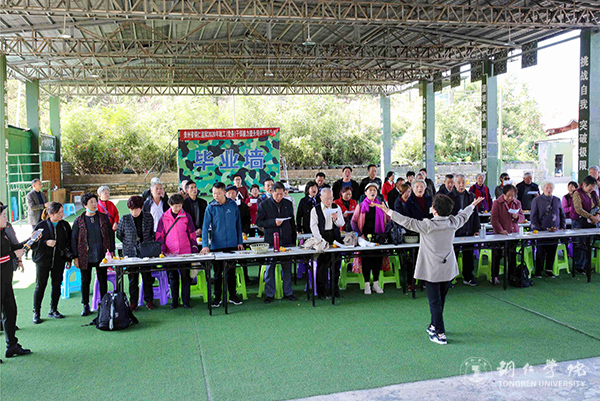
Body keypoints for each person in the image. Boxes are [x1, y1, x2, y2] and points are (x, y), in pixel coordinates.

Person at [374, 194, 484, 345]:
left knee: (434, 302)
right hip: (448, 269)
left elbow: (407, 222)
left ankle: (440, 333)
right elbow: (464, 216)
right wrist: (472, 205)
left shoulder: (427, 225)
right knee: (440, 300)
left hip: (432, 271)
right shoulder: (453, 222)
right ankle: (433, 325)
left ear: (435, 210)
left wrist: (388, 211)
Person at [201, 182, 244, 307]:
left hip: (232, 244)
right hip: (217, 246)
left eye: (218, 193)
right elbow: (205, 228)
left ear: (224, 193)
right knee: (217, 274)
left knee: (231, 272)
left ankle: (233, 296)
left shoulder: (233, 205)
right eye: (214, 193)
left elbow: (238, 225)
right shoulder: (210, 207)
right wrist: (205, 245)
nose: (216, 196)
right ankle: (217, 297)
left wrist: (240, 242)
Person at [71, 193, 115, 316]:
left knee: (102, 279)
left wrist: (111, 250)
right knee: (85, 280)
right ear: (84, 205)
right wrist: (75, 257)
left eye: (95, 201)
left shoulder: (103, 217)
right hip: (85, 255)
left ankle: (104, 303)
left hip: (101, 254)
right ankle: (85, 305)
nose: (94, 204)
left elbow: (110, 234)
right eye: (91, 202)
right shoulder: (79, 220)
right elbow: (74, 239)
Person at [256, 182, 298, 303]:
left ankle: (288, 292)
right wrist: (273, 222)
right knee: (270, 268)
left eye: (281, 194)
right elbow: (259, 222)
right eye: (277, 194)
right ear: (272, 192)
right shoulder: (264, 204)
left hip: (286, 240)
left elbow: (292, 223)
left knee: (287, 267)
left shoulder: (288, 204)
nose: (279, 197)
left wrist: (293, 239)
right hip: (271, 241)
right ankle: (269, 294)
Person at [31, 202, 73, 324]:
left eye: (62, 212)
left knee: (57, 285)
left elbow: (68, 243)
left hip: (59, 260)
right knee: (40, 286)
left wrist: (69, 259)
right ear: (50, 214)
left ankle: (53, 309)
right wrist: (45, 243)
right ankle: (36, 312)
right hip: (43, 261)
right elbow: (32, 244)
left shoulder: (65, 225)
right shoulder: (41, 226)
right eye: (59, 213)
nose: (62, 215)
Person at [155, 194, 198, 309]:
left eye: (180, 205)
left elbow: (192, 233)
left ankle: (186, 300)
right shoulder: (164, 217)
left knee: (186, 277)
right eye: (176, 206)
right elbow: (159, 235)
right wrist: (161, 249)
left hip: (185, 252)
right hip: (170, 254)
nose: (178, 208)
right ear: (170, 205)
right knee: (173, 278)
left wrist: (194, 247)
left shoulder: (186, 216)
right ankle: (174, 300)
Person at [0, 205, 31, 360]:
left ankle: (12, 346)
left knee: (11, 311)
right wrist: (14, 255)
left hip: (6, 282)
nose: (6, 218)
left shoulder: (3, 233)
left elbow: (13, 247)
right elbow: (8, 254)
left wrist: (30, 240)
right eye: (3, 215)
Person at [116, 196, 156, 310]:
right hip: (130, 252)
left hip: (145, 252)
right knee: (132, 279)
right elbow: (119, 234)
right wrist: (129, 243)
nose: (133, 212)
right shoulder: (125, 219)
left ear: (141, 207)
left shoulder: (148, 217)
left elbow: (151, 232)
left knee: (147, 277)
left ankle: (149, 300)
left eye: (136, 209)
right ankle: (133, 302)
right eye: (131, 209)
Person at [351, 183, 390, 295]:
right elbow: (353, 222)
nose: (373, 192)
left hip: (378, 238)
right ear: (365, 193)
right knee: (366, 261)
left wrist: (384, 234)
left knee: (377, 261)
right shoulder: (360, 206)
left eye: (374, 190)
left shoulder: (381, 205)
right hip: (365, 239)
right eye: (370, 190)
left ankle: (376, 283)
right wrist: (359, 234)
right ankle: (367, 284)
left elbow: (389, 220)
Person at [311, 187, 345, 298]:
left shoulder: (336, 207)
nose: (329, 201)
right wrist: (320, 241)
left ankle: (334, 290)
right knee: (322, 266)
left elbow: (341, 223)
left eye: (331, 198)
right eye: (326, 198)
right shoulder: (315, 209)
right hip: (322, 236)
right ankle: (322, 292)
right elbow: (314, 227)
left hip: (334, 236)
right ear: (321, 198)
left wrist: (336, 219)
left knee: (336, 265)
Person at [449, 174, 481, 286]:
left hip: (468, 230)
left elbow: (475, 214)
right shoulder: (449, 196)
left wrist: (476, 229)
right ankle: (450, 278)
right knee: (453, 255)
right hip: (455, 231)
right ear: (454, 184)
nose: (461, 185)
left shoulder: (471, 196)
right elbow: (446, 213)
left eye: (463, 182)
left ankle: (468, 276)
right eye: (459, 182)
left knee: (469, 255)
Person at [530, 181, 566, 279]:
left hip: (555, 231)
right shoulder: (536, 200)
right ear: (542, 189)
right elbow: (533, 216)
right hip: (541, 231)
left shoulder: (557, 200)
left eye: (550, 188)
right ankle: (538, 270)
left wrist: (562, 227)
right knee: (541, 251)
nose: (549, 190)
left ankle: (549, 270)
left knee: (552, 250)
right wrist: (538, 228)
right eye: (547, 188)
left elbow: (562, 214)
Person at [490, 184, 524, 285]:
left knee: (512, 255)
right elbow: (494, 219)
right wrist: (501, 230)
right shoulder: (497, 203)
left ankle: (511, 276)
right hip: (500, 235)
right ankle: (494, 276)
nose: (510, 198)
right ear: (504, 194)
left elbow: (522, 217)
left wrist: (517, 217)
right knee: (497, 255)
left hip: (513, 234)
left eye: (513, 195)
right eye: (508, 195)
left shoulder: (517, 203)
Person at [571, 175, 600, 274]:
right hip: (579, 221)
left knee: (589, 243)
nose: (591, 189)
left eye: (593, 187)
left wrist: (597, 215)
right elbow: (578, 209)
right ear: (584, 184)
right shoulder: (577, 193)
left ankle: (587, 265)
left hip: (592, 221)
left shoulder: (594, 193)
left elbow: (598, 205)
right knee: (580, 243)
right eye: (590, 187)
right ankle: (579, 266)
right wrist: (591, 217)